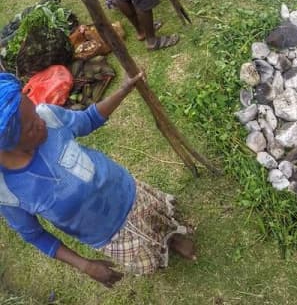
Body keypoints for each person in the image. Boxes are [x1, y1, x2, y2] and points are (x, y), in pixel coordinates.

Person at [0, 72, 196, 286]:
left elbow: (88, 119)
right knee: (147, 257)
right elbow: (35, 235)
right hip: (109, 235)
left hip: (127, 192)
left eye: (34, 110)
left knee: (157, 220)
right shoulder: (7, 190)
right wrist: (85, 265)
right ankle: (159, 251)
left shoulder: (48, 116)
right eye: (31, 127)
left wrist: (123, 91)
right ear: (6, 143)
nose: (41, 121)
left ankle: (172, 238)